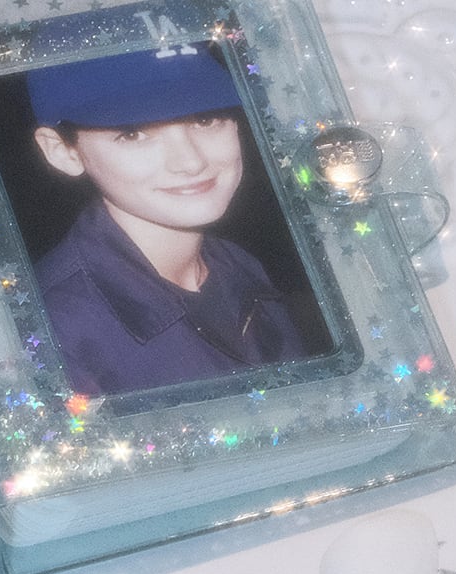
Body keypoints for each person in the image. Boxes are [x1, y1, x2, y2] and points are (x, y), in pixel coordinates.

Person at [26, 43, 315, 397]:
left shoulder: (239, 266)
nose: (190, 162)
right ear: (63, 152)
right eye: (133, 133)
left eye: (205, 119)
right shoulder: (51, 333)